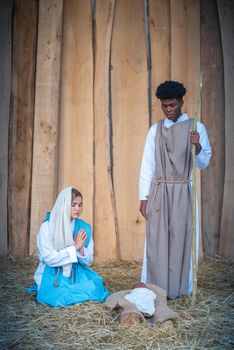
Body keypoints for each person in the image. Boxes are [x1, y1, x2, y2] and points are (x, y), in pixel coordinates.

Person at [139, 80, 212, 299]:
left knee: (182, 239)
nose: (168, 109)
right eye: (164, 106)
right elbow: (147, 166)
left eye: (172, 105)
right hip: (160, 192)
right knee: (157, 240)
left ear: (181, 101)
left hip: (183, 192)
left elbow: (204, 163)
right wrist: (143, 197)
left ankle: (182, 288)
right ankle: (156, 288)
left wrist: (197, 146)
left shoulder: (196, 127)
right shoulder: (155, 131)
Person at [28, 186, 109, 307]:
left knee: (95, 287)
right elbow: (50, 258)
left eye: (80, 205)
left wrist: (81, 248)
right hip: (51, 272)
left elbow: (88, 260)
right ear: (64, 204)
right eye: (73, 204)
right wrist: (75, 247)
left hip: (75, 271)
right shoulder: (48, 227)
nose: (78, 208)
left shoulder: (83, 227)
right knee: (60, 296)